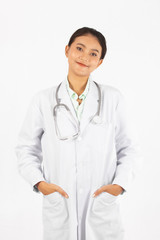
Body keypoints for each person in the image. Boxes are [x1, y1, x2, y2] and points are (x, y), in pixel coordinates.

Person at [15, 27, 141, 240]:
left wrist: (118, 186)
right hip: (60, 203)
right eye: (79, 48)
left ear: (99, 62)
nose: (85, 57)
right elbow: (26, 148)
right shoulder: (43, 100)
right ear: (67, 50)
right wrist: (40, 183)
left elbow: (129, 148)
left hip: (100, 205)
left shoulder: (113, 98)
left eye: (94, 54)